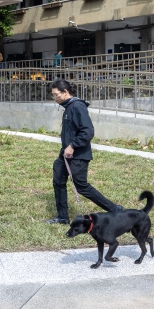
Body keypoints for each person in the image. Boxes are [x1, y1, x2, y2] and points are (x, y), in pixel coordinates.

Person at [46, 79, 121, 224]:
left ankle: (115, 210)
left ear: (65, 92)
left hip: (78, 154)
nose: (55, 98)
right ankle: (62, 217)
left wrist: (73, 145)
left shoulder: (77, 106)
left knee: (81, 186)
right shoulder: (68, 107)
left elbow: (88, 131)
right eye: (53, 95)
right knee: (58, 181)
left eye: (56, 95)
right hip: (66, 153)